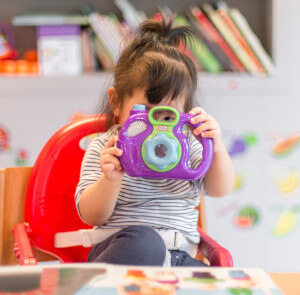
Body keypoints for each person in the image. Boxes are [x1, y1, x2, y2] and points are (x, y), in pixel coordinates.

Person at [75, 16, 235, 267]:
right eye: (146, 113)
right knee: (145, 243)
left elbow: (219, 189)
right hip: (124, 252)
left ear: (185, 114)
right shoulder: (106, 148)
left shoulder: (186, 145)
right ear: (117, 103)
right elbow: (91, 215)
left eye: (167, 116)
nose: (156, 128)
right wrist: (110, 179)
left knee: (213, 283)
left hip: (179, 257)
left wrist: (215, 145)